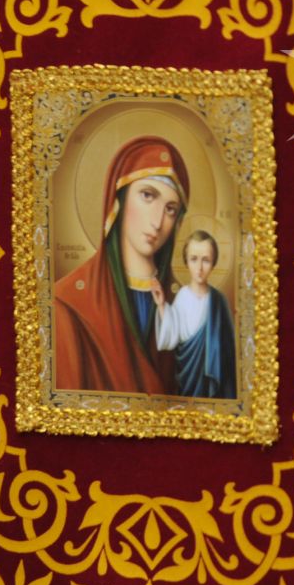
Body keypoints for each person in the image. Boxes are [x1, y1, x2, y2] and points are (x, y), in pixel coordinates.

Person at [52, 135, 188, 394]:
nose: (158, 222)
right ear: (118, 201)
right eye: (148, 196)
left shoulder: (180, 304)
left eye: (171, 209)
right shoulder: (68, 305)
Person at [156, 229, 238, 399]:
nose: (199, 268)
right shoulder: (182, 296)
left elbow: (229, 351)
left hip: (214, 382)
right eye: (194, 259)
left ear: (214, 263)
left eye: (205, 260)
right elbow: (173, 335)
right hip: (187, 376)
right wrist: (162, 305)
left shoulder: (219, 301)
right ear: (186, 261)